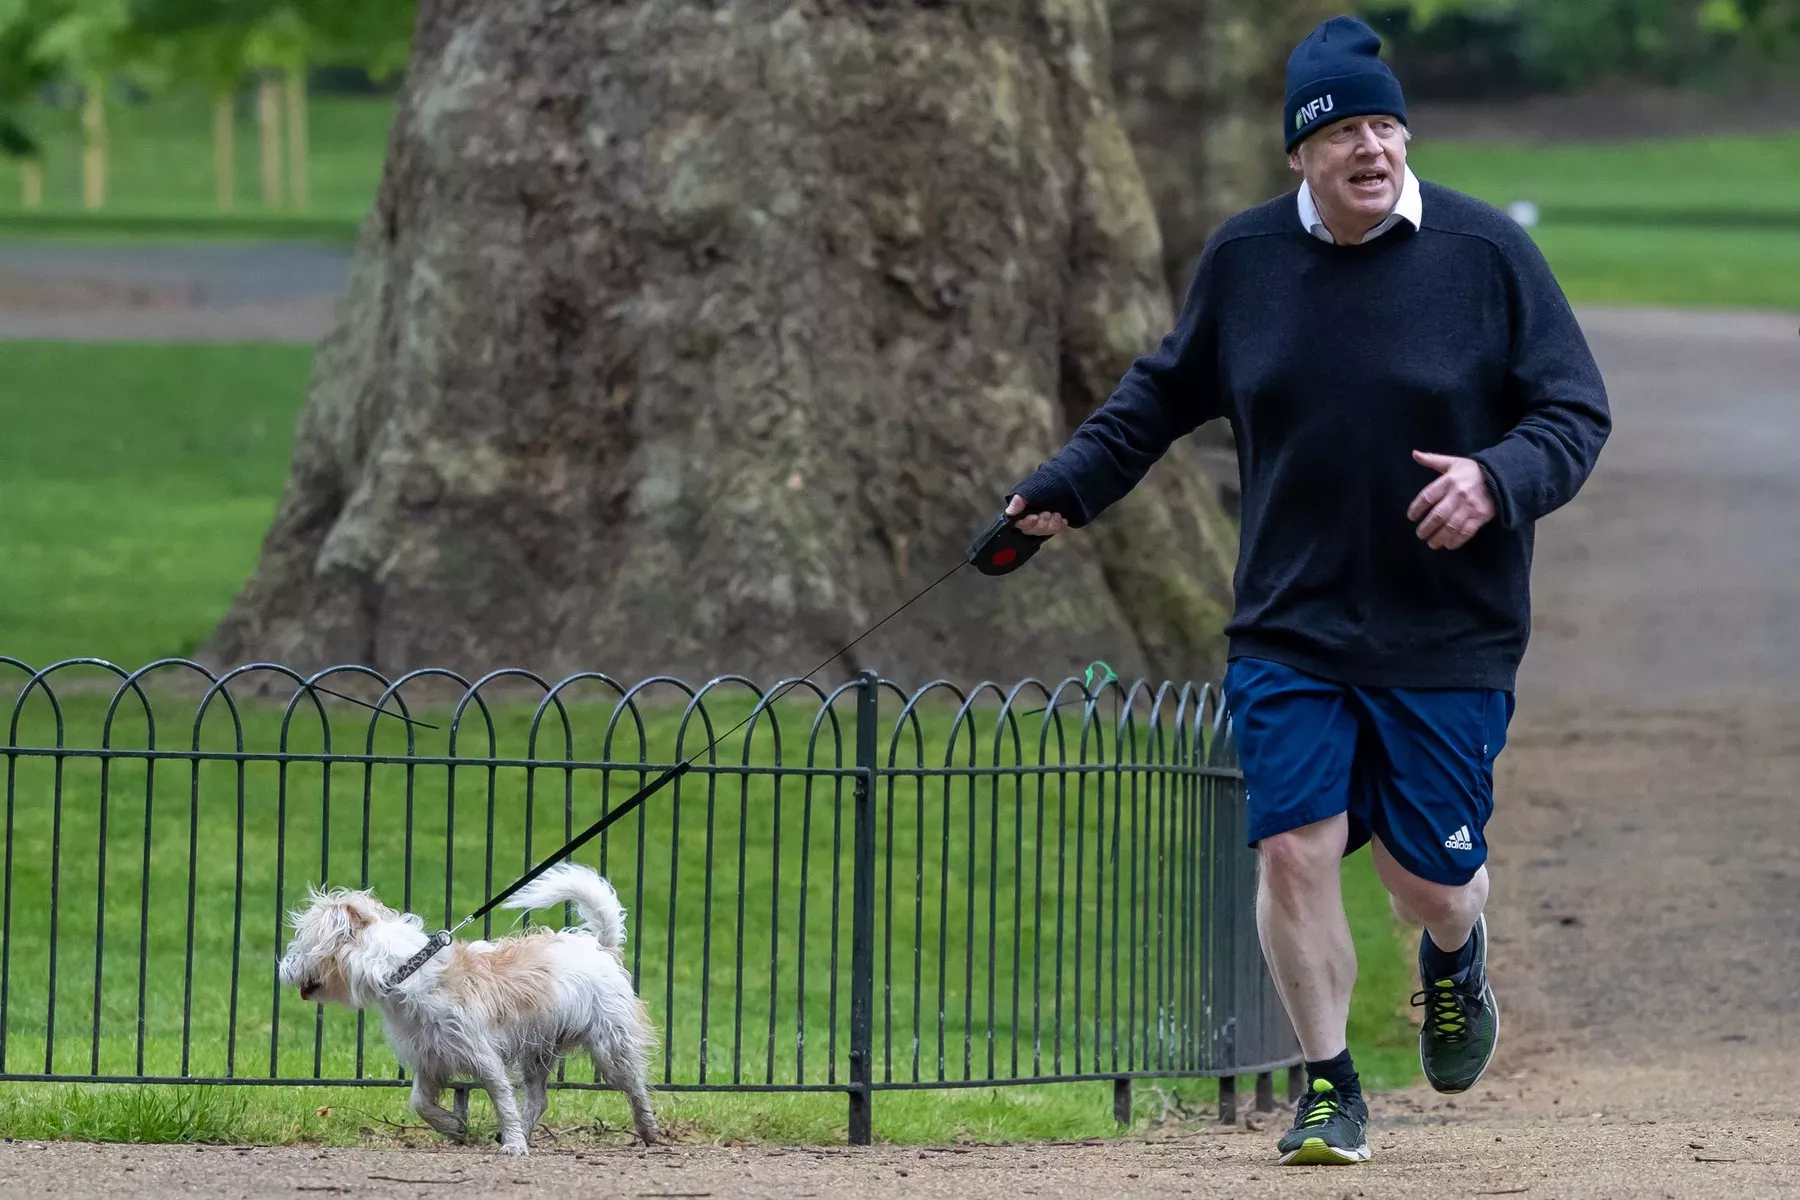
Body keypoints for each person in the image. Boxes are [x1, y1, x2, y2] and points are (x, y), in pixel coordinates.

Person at [1003, 13, 1610, 1168]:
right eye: (1345, 133)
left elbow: (1574, 413)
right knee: (1293, 847)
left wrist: (1497, 477)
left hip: (1449, 629)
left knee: (1427, 876)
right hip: (1291, 622)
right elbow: (1158, 397)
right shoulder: (1246, 262)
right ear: (1300, 154)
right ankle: (1328, 1088)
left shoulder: (1488, 258)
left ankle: (1455, 952)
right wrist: (1062, 491)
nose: (1372, 150)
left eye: (1388, 127)